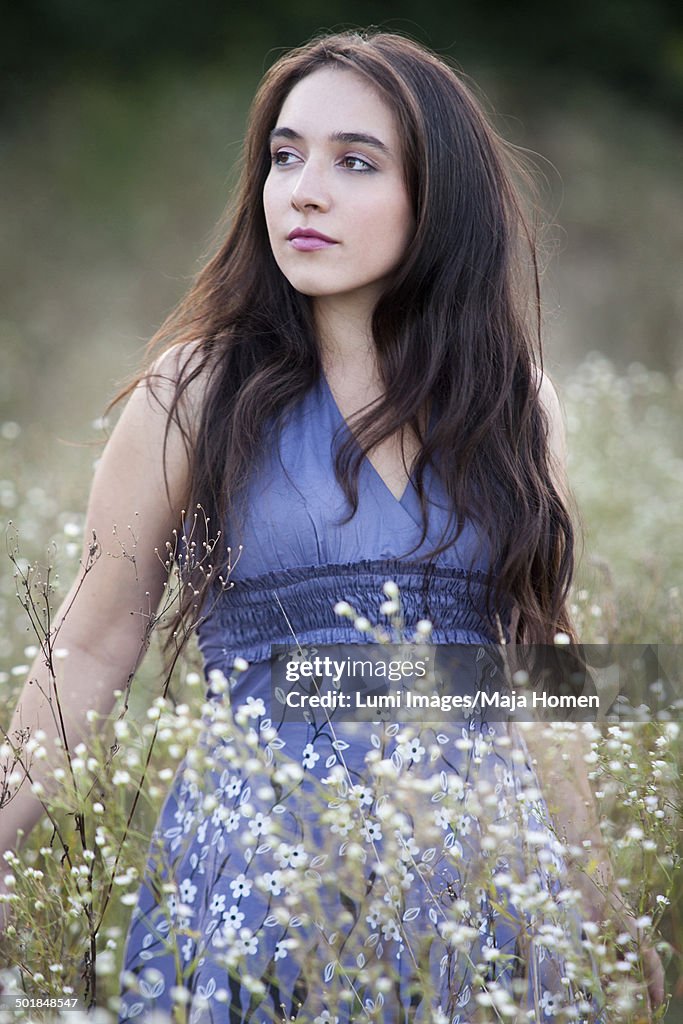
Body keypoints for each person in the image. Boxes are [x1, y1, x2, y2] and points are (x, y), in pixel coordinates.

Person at [0, 29, 666, 1024]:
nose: (302, 191)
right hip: (258, 883)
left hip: (479, 892)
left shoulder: (515, 403)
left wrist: (598, 901)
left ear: (433, 199)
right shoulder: (192, 390)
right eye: (284, 156)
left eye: (353, 162)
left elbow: (535, 664)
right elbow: (90, 644)